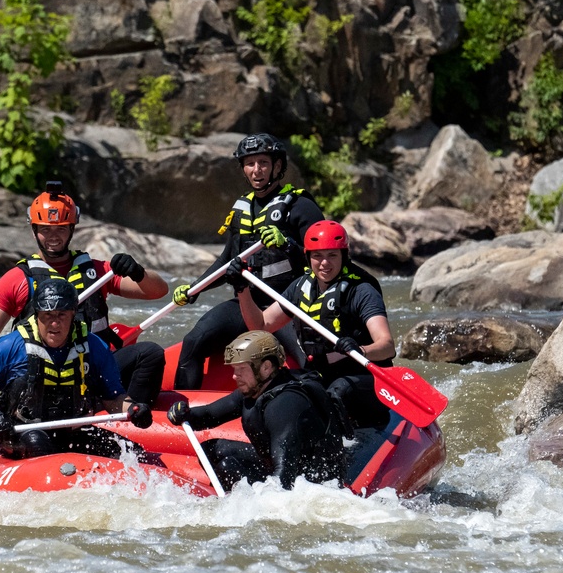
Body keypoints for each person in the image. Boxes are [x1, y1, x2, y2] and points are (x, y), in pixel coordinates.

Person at [0, 181, 169, 407]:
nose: (53, 236)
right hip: (43, 374)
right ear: (35, 230)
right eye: (46, 229)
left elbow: (158, 291)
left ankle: (132, 415)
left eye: (61, 229)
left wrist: (137, 272)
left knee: (150, 353)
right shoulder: (17, 279)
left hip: (94, 367)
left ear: (72, 229)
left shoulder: (97, 272)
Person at [171, 133, 324, 389]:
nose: (257, 170)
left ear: (277, 165)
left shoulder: (301, 206)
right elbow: (227, 260)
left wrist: (288, 245)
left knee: (310, 359)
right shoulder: (240, 208)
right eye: (250, 164)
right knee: (193, 341)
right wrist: (194, 289)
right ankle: (183, 410)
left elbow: (324, 261)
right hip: (247, 303)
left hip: (288, 304)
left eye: (263, 162)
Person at [228, 219, 395, 430]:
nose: (324, 263)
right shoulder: (301, 287)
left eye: (332, 255)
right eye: (318, 256)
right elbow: (261, 325)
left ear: (344, 256)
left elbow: (387, 345)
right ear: (308, 257)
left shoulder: (362, 290)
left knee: (339, 390)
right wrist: (242, 289)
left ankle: (340, 447)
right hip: (321, 374)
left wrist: (360, 349)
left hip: (364, 379)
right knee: (271, 383)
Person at [0, 279, 153, 460]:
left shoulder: (94, 346)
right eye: (48, 315)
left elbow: (113, 399)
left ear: (73, 314)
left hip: (72, 430)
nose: (55, 323)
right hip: (19, 431)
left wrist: (134, 408)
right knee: (38, 444)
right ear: (37, 315)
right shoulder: (10, 346)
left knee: (132, 454)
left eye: (62, 314)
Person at [166, 330, 345, 490]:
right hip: (281, 463)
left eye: (242, 369)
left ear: (266, 367)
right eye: (235, 369)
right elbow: (208, 416)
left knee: (228, 467)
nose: (235, 376)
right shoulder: (258, 389)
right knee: (211, 449)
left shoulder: (285, 406)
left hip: (310, 480)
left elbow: (284, 479)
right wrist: (184, 413)